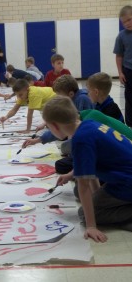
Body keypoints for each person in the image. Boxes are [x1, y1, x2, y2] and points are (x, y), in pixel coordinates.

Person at [43, 96, 132, 242]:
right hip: (124, 176)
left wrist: (91, 226)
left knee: (84, 213)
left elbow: (85, 186)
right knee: (87, 197)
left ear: (55, 126)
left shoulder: (81, 140)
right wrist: (73, 174)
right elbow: (92, 168)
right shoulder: (88, 124)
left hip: (126, 183)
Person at [114, 5, 132, 127]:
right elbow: (119, 56)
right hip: (129, 71)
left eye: (129, 19)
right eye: (124, 21)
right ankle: (130, 123)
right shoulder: (121, 36)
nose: (127, 23)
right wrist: (120, 72)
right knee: (130, 98)